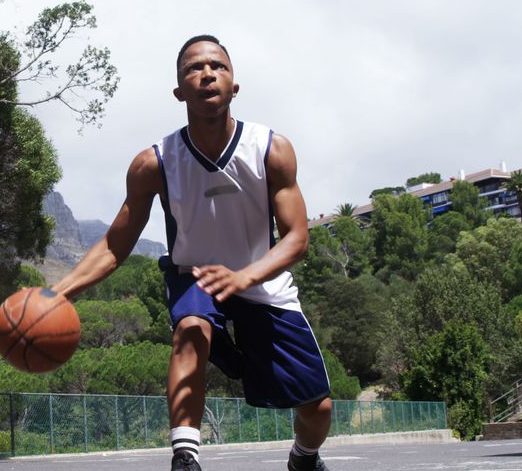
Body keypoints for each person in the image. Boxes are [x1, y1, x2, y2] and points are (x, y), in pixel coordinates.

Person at [50, 35, 332, 471]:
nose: (206, 74)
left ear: (234, 84)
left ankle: (304, 458)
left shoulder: (271, 150)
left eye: (217, 66)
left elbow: (297, 238)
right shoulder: (155, 163)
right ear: (179, 91)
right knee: (192, 327)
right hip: (194, 274)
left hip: (261, 280)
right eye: (193, 69)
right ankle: (185, 455)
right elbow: (114, 245)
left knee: (319, 410)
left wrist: (245, 277)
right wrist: (60, 292)